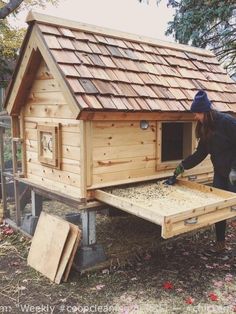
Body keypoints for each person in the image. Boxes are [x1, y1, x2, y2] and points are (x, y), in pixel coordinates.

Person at [171, 90, 236, 254]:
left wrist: (234, 169)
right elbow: (200, 154)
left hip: (234, 173)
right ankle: (220, 243)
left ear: (205, 111)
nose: (195, 117)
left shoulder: (227, 122)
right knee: (218, 208)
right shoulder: (204, 128)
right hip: (220, 173)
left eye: (197, 113)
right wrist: (181, 167)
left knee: (234, 208)